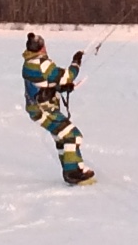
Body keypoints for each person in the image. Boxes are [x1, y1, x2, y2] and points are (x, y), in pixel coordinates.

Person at [20, 31, 94, 185]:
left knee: (61, 138)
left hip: (38, 109)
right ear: (41, 48)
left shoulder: (29, 63)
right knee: (72, 136)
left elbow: (43, 83)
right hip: (43, 110)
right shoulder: (41, 64)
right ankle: (73, 172)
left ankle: (73, 170)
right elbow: (67, 75)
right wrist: (76, 63)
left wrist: (60, 88)